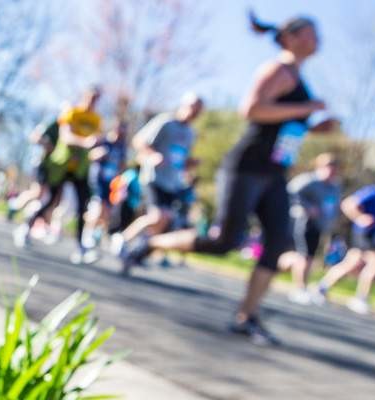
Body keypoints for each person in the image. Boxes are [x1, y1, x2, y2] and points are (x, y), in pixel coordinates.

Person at [120, 12, 337, 345]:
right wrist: (305, 108)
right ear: (291, 38)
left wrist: (314, 126)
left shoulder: (298, 78)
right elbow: (251, 109)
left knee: (277, 242)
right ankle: (150, 244)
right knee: (224, 241)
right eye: (310, 33)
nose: (317, 39)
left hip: (275, 172)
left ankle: (246, 317)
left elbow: (283, 127)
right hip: (247, 167)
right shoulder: (278, 70)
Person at [110, 94, 204, 259]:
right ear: (183, 105)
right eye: (191, 109)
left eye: (197, 112)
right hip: (153, 178)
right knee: (157, 216)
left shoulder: (190, 133)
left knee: (164, 220)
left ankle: (137, 252)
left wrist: (190, 163)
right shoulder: (166, 122)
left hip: (172, 183)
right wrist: (152, 155)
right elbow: (139, 141)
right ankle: (122, 239)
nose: (192, 114)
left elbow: (179, 160)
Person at [16, 87, 103, 263]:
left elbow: (96, 140)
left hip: (80, 169)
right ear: (84, 96)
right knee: (50, 201)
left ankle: (81, 247)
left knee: (82, 206)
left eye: (96, 99)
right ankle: (25, 228)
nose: (92, 102)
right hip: (61, 165)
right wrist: (85, 142)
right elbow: (66, 137)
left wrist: (95, 148)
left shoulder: (96, 120)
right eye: (91, 97)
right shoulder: (71, 113)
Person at [315, 168, 375, 314]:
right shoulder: (373, 192)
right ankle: (360, 297)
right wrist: (359, 217)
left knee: (352, 263)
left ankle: (322, 287)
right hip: (364, 233)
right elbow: (348, 204)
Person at [282, 153, 342, 305]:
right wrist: (307, 207)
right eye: (329, 167)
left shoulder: (334, 187)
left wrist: (330, 224)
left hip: (318, 225)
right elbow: (289, 192)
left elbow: (333, 206)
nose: (332, 171)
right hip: (302, 221)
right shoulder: (309, 180)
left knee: (307, 257)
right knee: (304, 256)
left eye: (334, 168)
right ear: (320, 167)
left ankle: (279, 266)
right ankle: (299, 288)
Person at [85, 121, 130, 254]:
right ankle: (87, 235)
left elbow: (123, 165)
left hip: (112, 184)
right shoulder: (103, 141)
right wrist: (98, 154)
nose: (120, 134)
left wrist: (121, 179)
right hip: (98, 180)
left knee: (107, 212)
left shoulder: (122, 147)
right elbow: (91, 155)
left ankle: (96, 233)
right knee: (99, 207)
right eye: (119, 130)